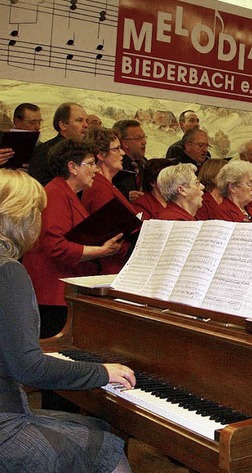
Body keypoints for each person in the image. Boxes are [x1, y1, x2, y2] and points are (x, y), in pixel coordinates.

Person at [0, 168, 135, 473]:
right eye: (37, 212)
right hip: (5, 426)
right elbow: (28, 368)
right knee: (109, 453)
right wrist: (101, 372)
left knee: (97, 427)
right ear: (20, 218)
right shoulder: (7, 272)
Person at [22, 140, 124, 338]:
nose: (95, 169)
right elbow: (57, 247)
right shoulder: (55, 194)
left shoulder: (66, 193)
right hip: (53, 293)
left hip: (60, 290)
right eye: (90, 163)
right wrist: (101, 251)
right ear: (72, 167)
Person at [82, 128, 136, 274]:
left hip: (116, 263)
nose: (123, 153)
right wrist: (134, 250)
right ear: (100, 154)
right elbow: (108, 234)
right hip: (109, 266)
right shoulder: (99, 188)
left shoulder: (107, 185)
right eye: (116, 149)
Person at [29, 102, 88, 186]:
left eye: (86, 121)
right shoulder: (47, 150)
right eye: (79, 120)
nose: (86, 125)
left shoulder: (83, 150)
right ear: (63, 125)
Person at [112, 119, 148, 202]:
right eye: (139, 138)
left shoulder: (144, 163)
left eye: (144, 137)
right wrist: (125, 195)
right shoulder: (115, 166)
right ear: (125, 143)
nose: (144, 142)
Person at [0, 103, 43, 168]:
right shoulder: (2, 141)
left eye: (39, 122)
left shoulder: (42, 147)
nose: (38, 127)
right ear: (17, 122)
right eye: (32, 123)